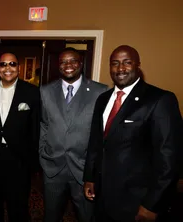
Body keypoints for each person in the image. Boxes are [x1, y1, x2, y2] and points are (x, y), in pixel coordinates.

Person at [83, 45, 182, 222]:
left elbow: (169, 158)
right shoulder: (102, 99)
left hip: (136, 201)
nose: (120, 68)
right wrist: (90, 177)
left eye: (127, 62)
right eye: (115, 63)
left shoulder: (159, 99)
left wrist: (152, 204)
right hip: (103, 196)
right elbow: (96, 142)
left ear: (138, 65)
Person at [39, 47, 108, 222]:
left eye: (73, 61)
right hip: (53, 167)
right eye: (63, 61)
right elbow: (44, 125)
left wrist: (94, 168)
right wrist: (43, 154)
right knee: (51, 216)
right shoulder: (45, 91)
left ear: (81, 63)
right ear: (58, 65)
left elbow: (102, 133)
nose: (68, 65)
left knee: (87, 216)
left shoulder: (100, 91)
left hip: (84, 170)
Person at [0, 52, 40, 222]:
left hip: (19, 159)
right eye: (3, 64)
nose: (7, 68)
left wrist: (34, 161)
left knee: (19, 206)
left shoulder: (32, 92)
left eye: (12, 64)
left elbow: (36, 127)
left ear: (19, 68)